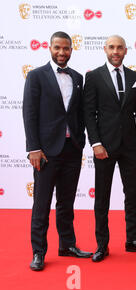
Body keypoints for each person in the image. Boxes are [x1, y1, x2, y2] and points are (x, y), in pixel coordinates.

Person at [23, 31, 92, 271]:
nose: (62, 52)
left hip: (71, 149)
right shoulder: (36, 76)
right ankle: (38, 252)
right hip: (45, 152)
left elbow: (79, 113)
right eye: (57, 48)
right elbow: (29, 113)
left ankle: (67, 244)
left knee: (66, 202)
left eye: (66, 48)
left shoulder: (77, 77)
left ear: (72, 50)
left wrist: (81, 141)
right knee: (41, 204)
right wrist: (33, 148)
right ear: (50, 48)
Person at [83, 35, 136, 262]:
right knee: (101, 197)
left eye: (119, 47)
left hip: (131, 146)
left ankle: (132, 239)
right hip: (104, 147)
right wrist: (96, 143)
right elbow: (89, 114)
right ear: (105, 49)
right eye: (111, 47)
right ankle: (102, 245)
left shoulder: (134, 76)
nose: (115, 51)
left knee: (132, 195)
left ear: (125, 50)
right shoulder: (93, 77)